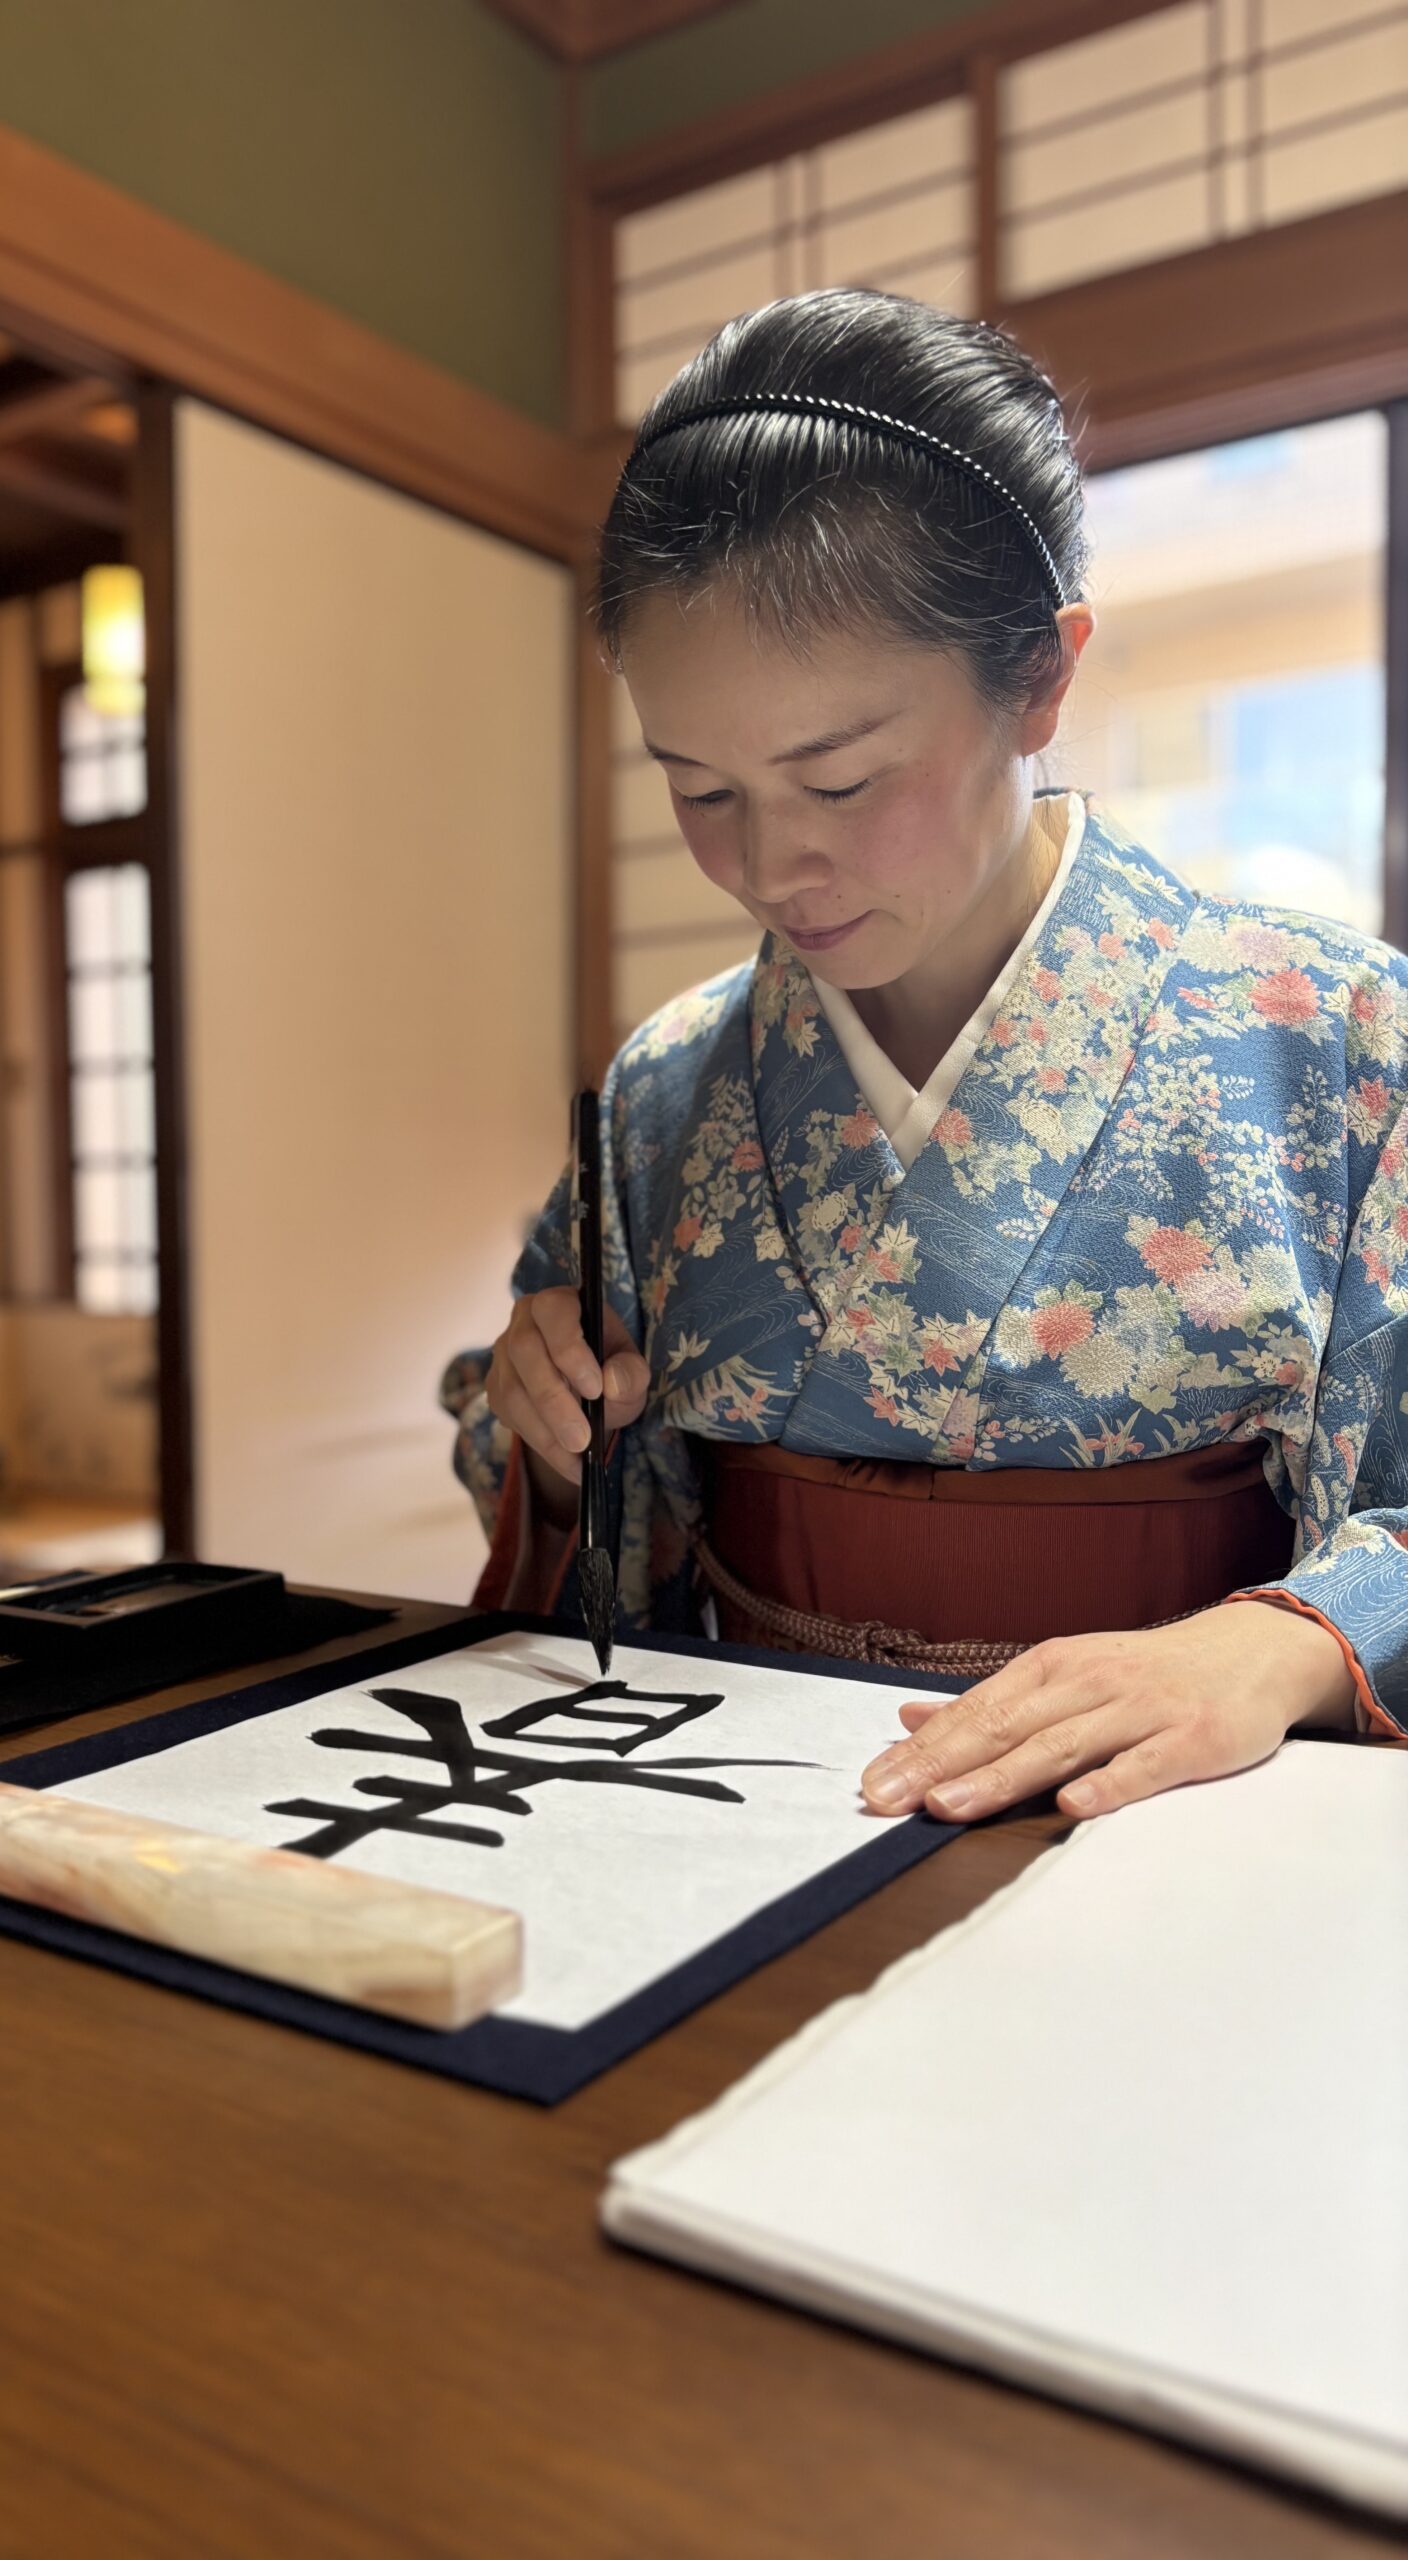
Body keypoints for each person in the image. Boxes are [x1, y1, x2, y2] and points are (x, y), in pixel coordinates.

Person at [446, 287, 1407, 1826]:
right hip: (760, 1818)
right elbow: (588, 1529)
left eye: (840, 777)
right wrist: (556, 1440)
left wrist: (1276, 1649)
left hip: (1182, 1825)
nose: (774, 866)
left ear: (1042, 675)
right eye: (701, 792)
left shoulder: (1346, 1043)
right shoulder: (661, 1095)